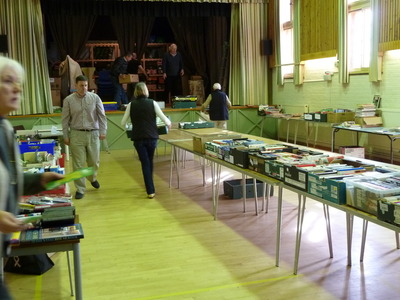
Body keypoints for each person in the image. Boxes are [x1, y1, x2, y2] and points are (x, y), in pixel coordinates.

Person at [0, 56, 63, 299]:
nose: (17, 89)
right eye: (8, 81)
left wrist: (38, 180)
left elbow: (8, 181)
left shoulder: (5, 128)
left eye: (19, 83)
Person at [121, 82, 171, 199]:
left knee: (145, 163)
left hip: (138, 138)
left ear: (136, 92)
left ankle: (150, 190)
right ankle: (150, 185)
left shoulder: (131, 105)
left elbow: (123, 122)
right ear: (146, 91)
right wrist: (168, 124)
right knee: (150, 161)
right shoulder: (152, 103)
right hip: (152, 137)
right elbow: (163, 118)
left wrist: (132, 124)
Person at [61, 75, 107, 199]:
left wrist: (103, 131)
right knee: (78, 164)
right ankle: (80, 188)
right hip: (76, 134)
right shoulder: (68, 100)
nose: (84, 88)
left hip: (93, 133)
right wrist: (66, 135)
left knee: (94, 161)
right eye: (81, 85)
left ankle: (92, 177)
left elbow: (102, 116)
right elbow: (65, 120)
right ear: (75, 86)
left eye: (86, 85)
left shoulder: (95, 98)